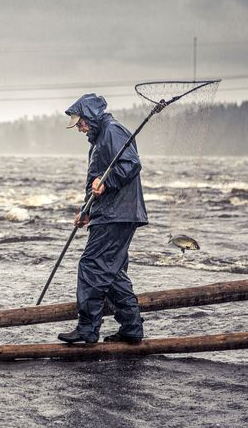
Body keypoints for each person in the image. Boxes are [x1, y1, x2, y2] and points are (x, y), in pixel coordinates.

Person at [57, 93, 148, 344]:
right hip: (110, 214)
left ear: (91, 116)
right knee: (113, 271)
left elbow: (131, 164)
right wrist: (85, 211)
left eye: (81, 123)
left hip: (116, 215)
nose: (80, 128)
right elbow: (96, 180)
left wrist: (106, 184)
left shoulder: (112, 131)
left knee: (91, 266)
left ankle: (87, 329)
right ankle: (131, 327)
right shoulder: (99, 139)